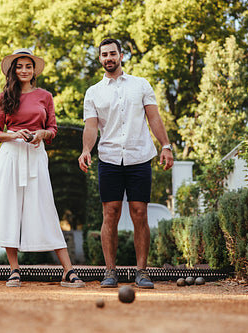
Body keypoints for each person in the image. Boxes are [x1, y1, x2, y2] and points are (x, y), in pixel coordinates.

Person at [0, 48, 85, 288]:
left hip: (36, 155)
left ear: (34, 70)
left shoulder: (45, 96)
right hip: (11, 155)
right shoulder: (3, 97)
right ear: (13, 70)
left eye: (28, 66)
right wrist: (14, 134)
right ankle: (14, 270)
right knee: (10, 209)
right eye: (19, 66)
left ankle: (68, 270)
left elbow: (53, 129)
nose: (24, 70)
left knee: (45, 206)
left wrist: (42, 133)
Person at [78, 39, 174, 289]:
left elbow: (154, 117)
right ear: (100, 59)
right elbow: (90, 126)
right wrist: (86, 150)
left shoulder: (140, 85)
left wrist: (166, 145)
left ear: (121, 55)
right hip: (109, 158)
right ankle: (110, 271)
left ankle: (141, 271)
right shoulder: (93, 92)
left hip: (139, 157)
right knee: (110, 213)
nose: (108, 57)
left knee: (139, 213)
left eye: (112, 53)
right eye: (104, 54)